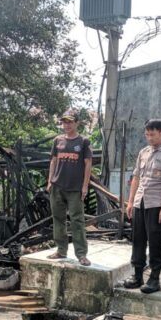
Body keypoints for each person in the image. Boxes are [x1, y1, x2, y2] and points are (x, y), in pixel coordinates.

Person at [123, 119, 161, 294]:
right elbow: (136, 178)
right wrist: (131, 201)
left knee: (156, 241)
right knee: (138, 239)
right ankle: (137, 275)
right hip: (141, 202)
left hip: (156, 204)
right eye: (147, 134)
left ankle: (154, 278)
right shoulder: (144, 152)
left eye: (152, 134)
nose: (149, 138)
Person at [46, 109, 93, 266]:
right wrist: (50, 181)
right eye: (64, 122)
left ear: (76, 123)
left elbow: (88, 164)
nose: (67, 125)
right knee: (58, 219)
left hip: (75, 188)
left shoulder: (83, 142)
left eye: (70, 122)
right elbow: (53, 161)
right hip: (57, 186)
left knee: (77, 220)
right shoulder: (58, 140)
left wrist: (85, 186)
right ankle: (61, 250)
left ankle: (81, 254)